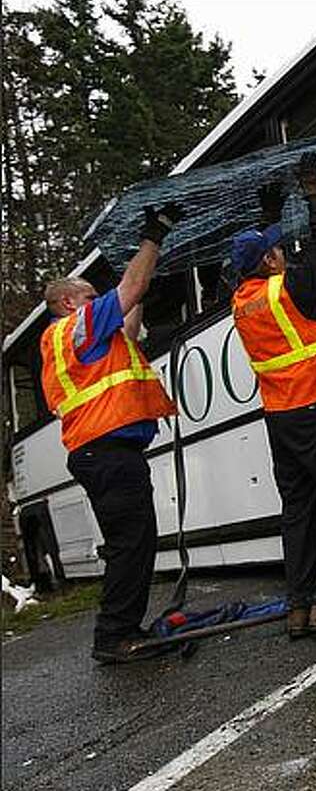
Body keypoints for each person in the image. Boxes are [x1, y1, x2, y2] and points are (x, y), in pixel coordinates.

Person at [39, 204, 183, 664]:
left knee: (135, 541)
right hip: (106, 451)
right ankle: (115, 636)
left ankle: (122, 630)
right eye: (88, 294)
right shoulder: (72, 328)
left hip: (102, 452)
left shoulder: (84, 336)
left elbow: (130, 317)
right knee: (130, 543)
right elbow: (129, 288)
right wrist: (154, 237)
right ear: (68, 302)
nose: (97, 298)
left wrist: (139, 280)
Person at [228, 152, 316, 638]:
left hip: (281, 419)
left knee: (298, 507)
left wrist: (267, 218)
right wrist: (312, 190)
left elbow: (255, 260)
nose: (282, 249)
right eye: (275, 246)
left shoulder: (242, 301)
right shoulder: (293, 288)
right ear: (269, 261)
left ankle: (299, 607)